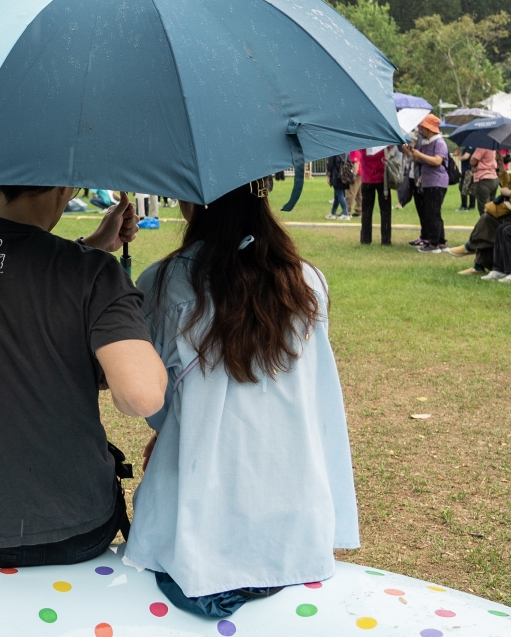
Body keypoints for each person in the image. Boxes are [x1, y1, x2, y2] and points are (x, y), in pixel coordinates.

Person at [125, 178, 357, 618]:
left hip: (197, 511)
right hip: (294, 514)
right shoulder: (307, 281)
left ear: (189, 200)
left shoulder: (165, 281)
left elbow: (155, 399)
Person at [0, 186, 165, 568]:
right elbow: (141, 396)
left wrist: (93, 245)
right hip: (76, 527)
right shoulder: (94, 274)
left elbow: (8, 274)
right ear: (64, 186)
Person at [451, 152, 511, 275]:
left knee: (489, 221)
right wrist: (501, 168)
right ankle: (477, 263)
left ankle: (472, 248)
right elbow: (509, 184)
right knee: (489, 223)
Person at [401, 114, 449, 252]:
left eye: (423, 127)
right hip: (429, 182)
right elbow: (415, 158)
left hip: (437, 182)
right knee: (433, 212)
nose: (421, 130)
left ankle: (433, 244)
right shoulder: (428, 143)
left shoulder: (439, 143)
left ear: (429, 129)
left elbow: (437, 161)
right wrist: (407, 150)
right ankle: (441, 241)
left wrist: (420, 154)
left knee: (433, 213)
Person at [358, 146, 392, 246]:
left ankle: (365, 238)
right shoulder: (382, 142)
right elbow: (391, 146)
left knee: (366, 212)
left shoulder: (363, 144)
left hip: (367, 179)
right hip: (382, 179)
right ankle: (386, 240)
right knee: (385, 211)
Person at [467, 145, 501, 211]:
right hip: (493, 176)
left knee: (483, 207)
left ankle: (486, 221)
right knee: (491, 206)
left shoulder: (482, 147)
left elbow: (472, 161)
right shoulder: (492, 147)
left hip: (483, 178)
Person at [325, 152, 350, 220]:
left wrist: (329, 176)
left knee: (340, 195)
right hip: (344, 175)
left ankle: (346, 214)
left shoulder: (333, 152)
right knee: (337, 196)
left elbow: (330, 164)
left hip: (336, 176)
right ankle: (333, 213)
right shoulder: (346, 152)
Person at [348, 149, 363, 216]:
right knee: (359, 193)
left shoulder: (353, 150)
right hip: (362, 173)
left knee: (351, 192)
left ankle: (347, 210)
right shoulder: (359, 149)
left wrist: (353, 175)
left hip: (357, 174)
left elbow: (356, 162)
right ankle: (359, 209)